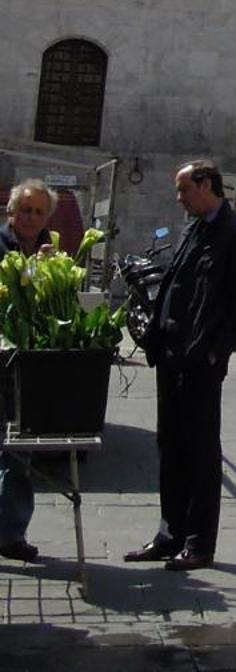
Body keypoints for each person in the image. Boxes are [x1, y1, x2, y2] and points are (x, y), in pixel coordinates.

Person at [124, 160, 236, 572]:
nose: (179, 198)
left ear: (205, 185)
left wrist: (215, 353)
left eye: (184, 189)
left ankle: (199, 543)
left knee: (200, 451)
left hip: (200, 360)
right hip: (171, 355)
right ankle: (170, 535)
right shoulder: (193, 228)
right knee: (170, 447)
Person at [0, 182, 58, 564]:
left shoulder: (48, 251)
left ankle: (11, 534)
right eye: (25, 211)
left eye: (38, 212)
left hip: (25, 363)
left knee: (18, 450)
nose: (31, 218)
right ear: (11, 212)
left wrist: (47, 269)